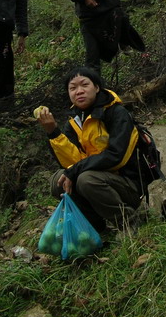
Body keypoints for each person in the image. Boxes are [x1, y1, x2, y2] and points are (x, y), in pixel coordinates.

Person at [36, 67, 145, 232]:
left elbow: (116, 157)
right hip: (98, 180)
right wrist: (53, 132)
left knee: (86, 179)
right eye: (73, 88)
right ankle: (95, 227)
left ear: (97, 87)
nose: (79, 91)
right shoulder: (74, 121)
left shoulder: (116, 113)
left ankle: (129, 221)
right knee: (58, 180)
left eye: (84, 85)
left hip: (127, 185)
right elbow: (71, 162)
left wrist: (76, 170)